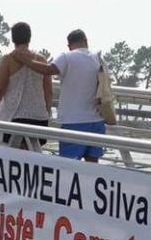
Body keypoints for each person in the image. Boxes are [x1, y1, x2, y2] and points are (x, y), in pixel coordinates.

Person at [12, 29, 106, 162]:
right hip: (97, 121)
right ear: (86, 41)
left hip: (74, 123)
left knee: (68, 165)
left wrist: (27, 61)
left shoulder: (67, 56)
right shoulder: (98, 58)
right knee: (92, 165)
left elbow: (49, 70)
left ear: (69, 45)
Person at [0, 22, 52, 147]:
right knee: (33, 157)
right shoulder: (41, 60)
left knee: (14, 157)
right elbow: (48, 91)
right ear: (29, 38)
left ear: (13, 38)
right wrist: (46, 111)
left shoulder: (8, 60)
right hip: (39, 117)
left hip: (16, 117)